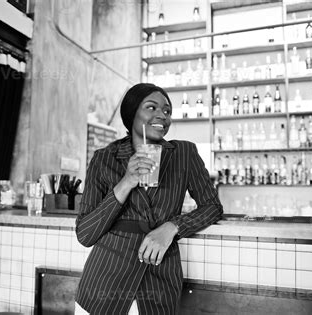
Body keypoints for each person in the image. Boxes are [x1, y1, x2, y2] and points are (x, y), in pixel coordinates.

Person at [74, 83, 223, 314]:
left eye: (167, 111)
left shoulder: (184, 154)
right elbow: (85, 234)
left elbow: (212, 206)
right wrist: (126, 182)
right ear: (132, 112)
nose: (162, 116)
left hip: (159, 283)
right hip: (103, 284)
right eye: (151, 107)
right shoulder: (104, 158)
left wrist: (172, 227)